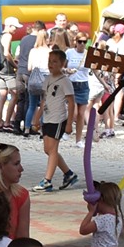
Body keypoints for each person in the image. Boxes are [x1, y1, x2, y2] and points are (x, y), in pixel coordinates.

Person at [35, 48, 78, 192]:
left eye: (55, 62)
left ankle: (47, 180)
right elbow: (44, 100)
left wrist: (69, 124)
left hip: (58, 118)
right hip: (47, 117)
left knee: (53, 149)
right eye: (49, 61)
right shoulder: (47, 79)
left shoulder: (65, 81)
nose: (51, 64)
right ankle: (69, 174)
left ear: (62, 63)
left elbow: (71, 103)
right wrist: (37, 117)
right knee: (48, 149)